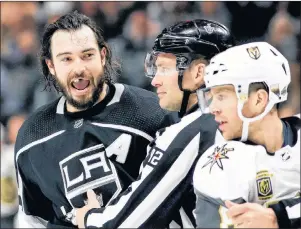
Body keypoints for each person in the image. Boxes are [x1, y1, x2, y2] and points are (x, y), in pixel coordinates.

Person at [14, 11, 174, 228]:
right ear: (51, 66)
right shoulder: (31, 137)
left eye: (87, 55)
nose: (79, 68)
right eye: (67, 59)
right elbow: (32, 220)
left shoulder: (151, 113)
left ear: (103, 55)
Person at [75, 19, 235, 228]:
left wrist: (89, 218)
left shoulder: (191, 133)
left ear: (199, 73)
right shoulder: (246, 121)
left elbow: (123, 224)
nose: (155, 80)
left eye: (164, 69)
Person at [193, 42, 300, 228]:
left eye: (221, 96)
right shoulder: (221, 164)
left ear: (259, 99)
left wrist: (279, 217)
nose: (212, 108)